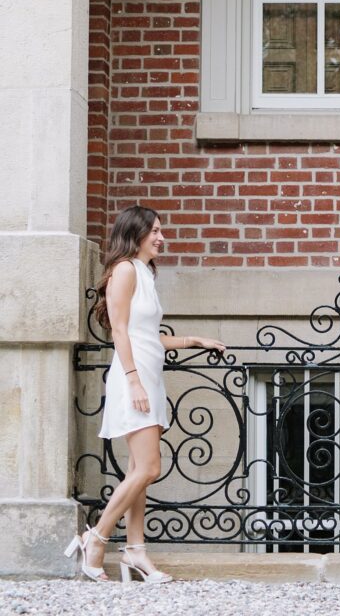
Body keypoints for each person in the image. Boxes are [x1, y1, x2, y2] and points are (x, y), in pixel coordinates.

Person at [65, 205, 227, 583]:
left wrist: (193, 340)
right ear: (135, 233)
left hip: (148, 376)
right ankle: (95, 537)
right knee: (150, 468)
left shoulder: (144, 273)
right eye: (154, 230)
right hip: (132, 378)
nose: (161, 237)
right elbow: (119, 332)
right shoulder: (123, 270)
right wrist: (135, 381)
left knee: (141, 471)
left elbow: (147, 336)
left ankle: (136, 551)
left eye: (160, 230)